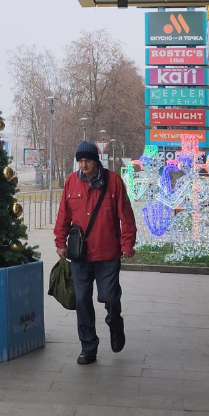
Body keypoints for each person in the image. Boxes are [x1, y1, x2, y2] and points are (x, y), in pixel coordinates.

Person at [54, 140, 137, 365]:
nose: (83, 165)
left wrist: (127, 244)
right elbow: (63, 215)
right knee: (82, 300)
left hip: (108, 254)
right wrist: (60, 242)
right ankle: (88, 347)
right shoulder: (71, 182)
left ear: (95, 160)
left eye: (87, 160)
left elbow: (126, 216)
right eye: (80, 161)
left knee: (108, 297)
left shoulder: (113, 182)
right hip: (80, 255)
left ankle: (115, 322)